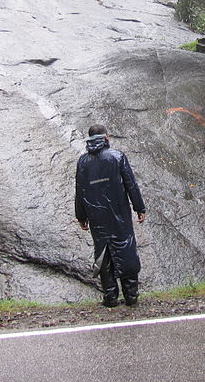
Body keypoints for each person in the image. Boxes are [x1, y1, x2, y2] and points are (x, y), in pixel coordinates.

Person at [75, 124, 146, 307]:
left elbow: (80, 191)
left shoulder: (83, 162)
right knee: (126, 249)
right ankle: (131, 296)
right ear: (106, 137)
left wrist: (81, 216)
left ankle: (111, 297)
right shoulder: (117, 156)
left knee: (103, 253)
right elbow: (131, 184)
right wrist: (139, 207)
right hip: (120, 213)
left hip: (96, 216)